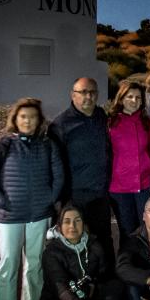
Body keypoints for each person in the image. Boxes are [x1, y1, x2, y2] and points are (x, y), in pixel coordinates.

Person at [0, 97, 65, 300]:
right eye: (23, 116)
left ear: (39, 120)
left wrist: (50, 198)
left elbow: (59, 176)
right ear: (15, 119)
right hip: (10, 216)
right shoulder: (3, 145)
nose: (28, 121)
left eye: (33, 116)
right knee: (7, 262)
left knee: (35, 262)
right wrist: (2, 201)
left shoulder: (48, 145)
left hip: (40, 214)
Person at [39, 203, 123, 300]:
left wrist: (95, 287)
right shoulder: (51, 252)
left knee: (115, 286)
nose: (72, 225)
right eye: (67, 221)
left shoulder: (95, 246)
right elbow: (62, 290)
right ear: (59, 227)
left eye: (77, 221)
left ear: (84, 225)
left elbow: (104, 278)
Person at [49, 77, 115, 258]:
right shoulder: (60, 125)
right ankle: (78, 283)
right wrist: (61, 201)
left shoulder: (102, 117)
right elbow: (55, 166)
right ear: (73, 95)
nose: (89, 96)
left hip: (100, 194)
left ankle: (107, 281)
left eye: (93, 92)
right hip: (75, 197)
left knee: (103, 240)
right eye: (83, 92)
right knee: (75, 242)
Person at [107, 80, 150, 236]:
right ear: (121, 98)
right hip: (119, 188)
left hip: (144, 185)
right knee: (127, 231)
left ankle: (146, 260)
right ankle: (127, 261)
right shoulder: (111, 122)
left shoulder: (147, 122)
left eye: (138, 98)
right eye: (130, 97)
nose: (134, 101)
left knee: (146, 230)